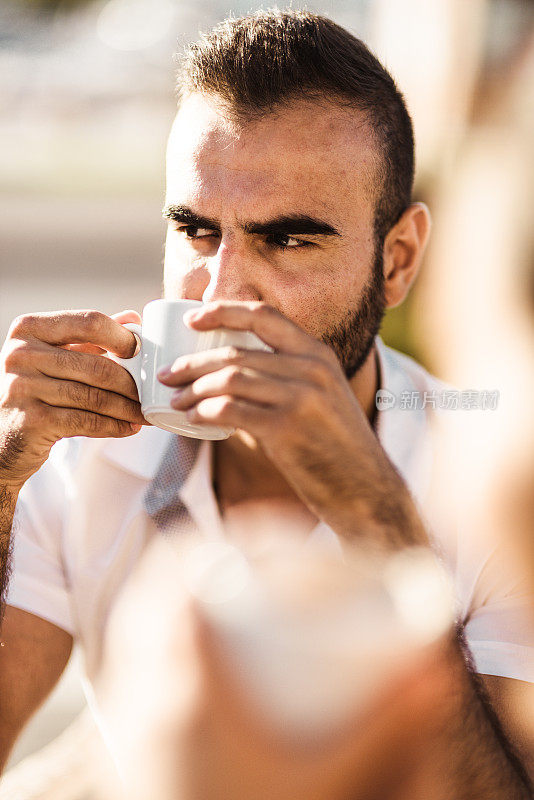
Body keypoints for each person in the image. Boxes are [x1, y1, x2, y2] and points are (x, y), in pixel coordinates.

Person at [0, 9, 532, 796]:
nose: (221, 293)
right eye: (196, 230)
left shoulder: (490, 476)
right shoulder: (83, 453)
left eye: (288, 239)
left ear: (399, 260)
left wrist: (379, 524)